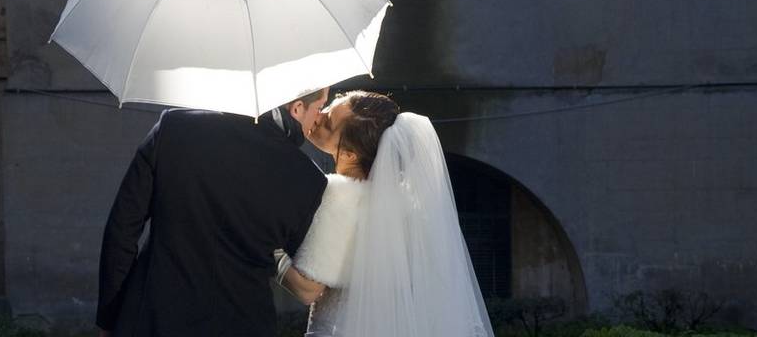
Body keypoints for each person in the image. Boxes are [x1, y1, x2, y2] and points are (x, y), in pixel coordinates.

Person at [96, 89, 329, 337]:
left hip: (155, 317)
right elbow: (287, 253)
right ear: (297, 108)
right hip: (244, 324)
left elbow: (121, 232)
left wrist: (109, 319)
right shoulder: (307, 180)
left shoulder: (175, 127)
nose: (319, 117)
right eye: (319, 107)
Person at [277, 91, 495, 337]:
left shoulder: (344, 198)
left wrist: (269, 249)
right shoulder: (405, 203)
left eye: (328, 121)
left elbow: (307, 289)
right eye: (327, 108)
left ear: (349, 154)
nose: (319, 116)